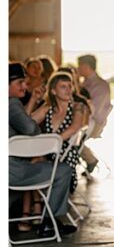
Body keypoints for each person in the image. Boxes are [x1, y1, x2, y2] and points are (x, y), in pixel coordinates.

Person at [9, 63, 76, 237]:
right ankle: (49, 220)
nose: (25, 86)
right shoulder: (12, 104)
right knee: (63, 170)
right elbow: (31, 129)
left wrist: (32, 102)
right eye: (20, 83)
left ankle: (30, 217)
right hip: (13, 171)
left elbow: (24, 120)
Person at [30, 71, 89, 200]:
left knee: (31, 163)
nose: (68, 90)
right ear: (53, 91)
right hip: (48, 156)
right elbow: (26, 122)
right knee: (29, 162)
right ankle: (36, 206)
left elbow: (75, 127)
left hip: (64, 160)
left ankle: (36, 207)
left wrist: (49, 144)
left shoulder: (77, 106)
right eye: (63, 86)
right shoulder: (48, 108)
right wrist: (33, 99)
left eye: (70, 85)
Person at [77, 54, 112, 174]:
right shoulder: (85, 83)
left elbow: (94, 111)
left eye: (79, 66)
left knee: (71, 136)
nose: (78, 69)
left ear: (86, 67)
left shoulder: (100, 85)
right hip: (85, 120)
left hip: (94, 123)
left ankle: (90, 159)